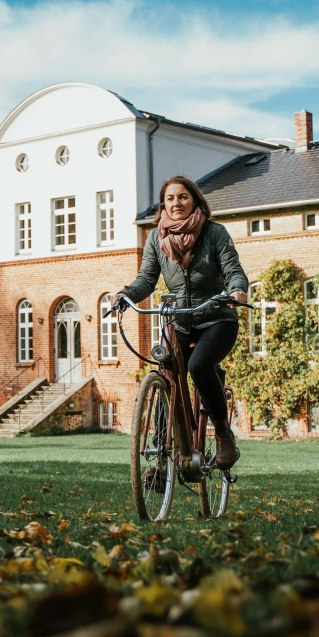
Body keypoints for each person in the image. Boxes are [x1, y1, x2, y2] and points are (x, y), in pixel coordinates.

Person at [117, 175, 248, 470]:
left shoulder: (215, 233)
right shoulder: (156, 238)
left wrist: (237, 290)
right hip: (179, 320)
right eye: (171, 198)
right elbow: (146, 280)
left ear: (195, 200)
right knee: (167, 375)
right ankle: (162, 458)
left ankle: (225, 438)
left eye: (183, 197)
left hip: (217, 318)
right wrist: (126, 294)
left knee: (199, 366)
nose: (177, 203)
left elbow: (233, 270)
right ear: (164, 205)